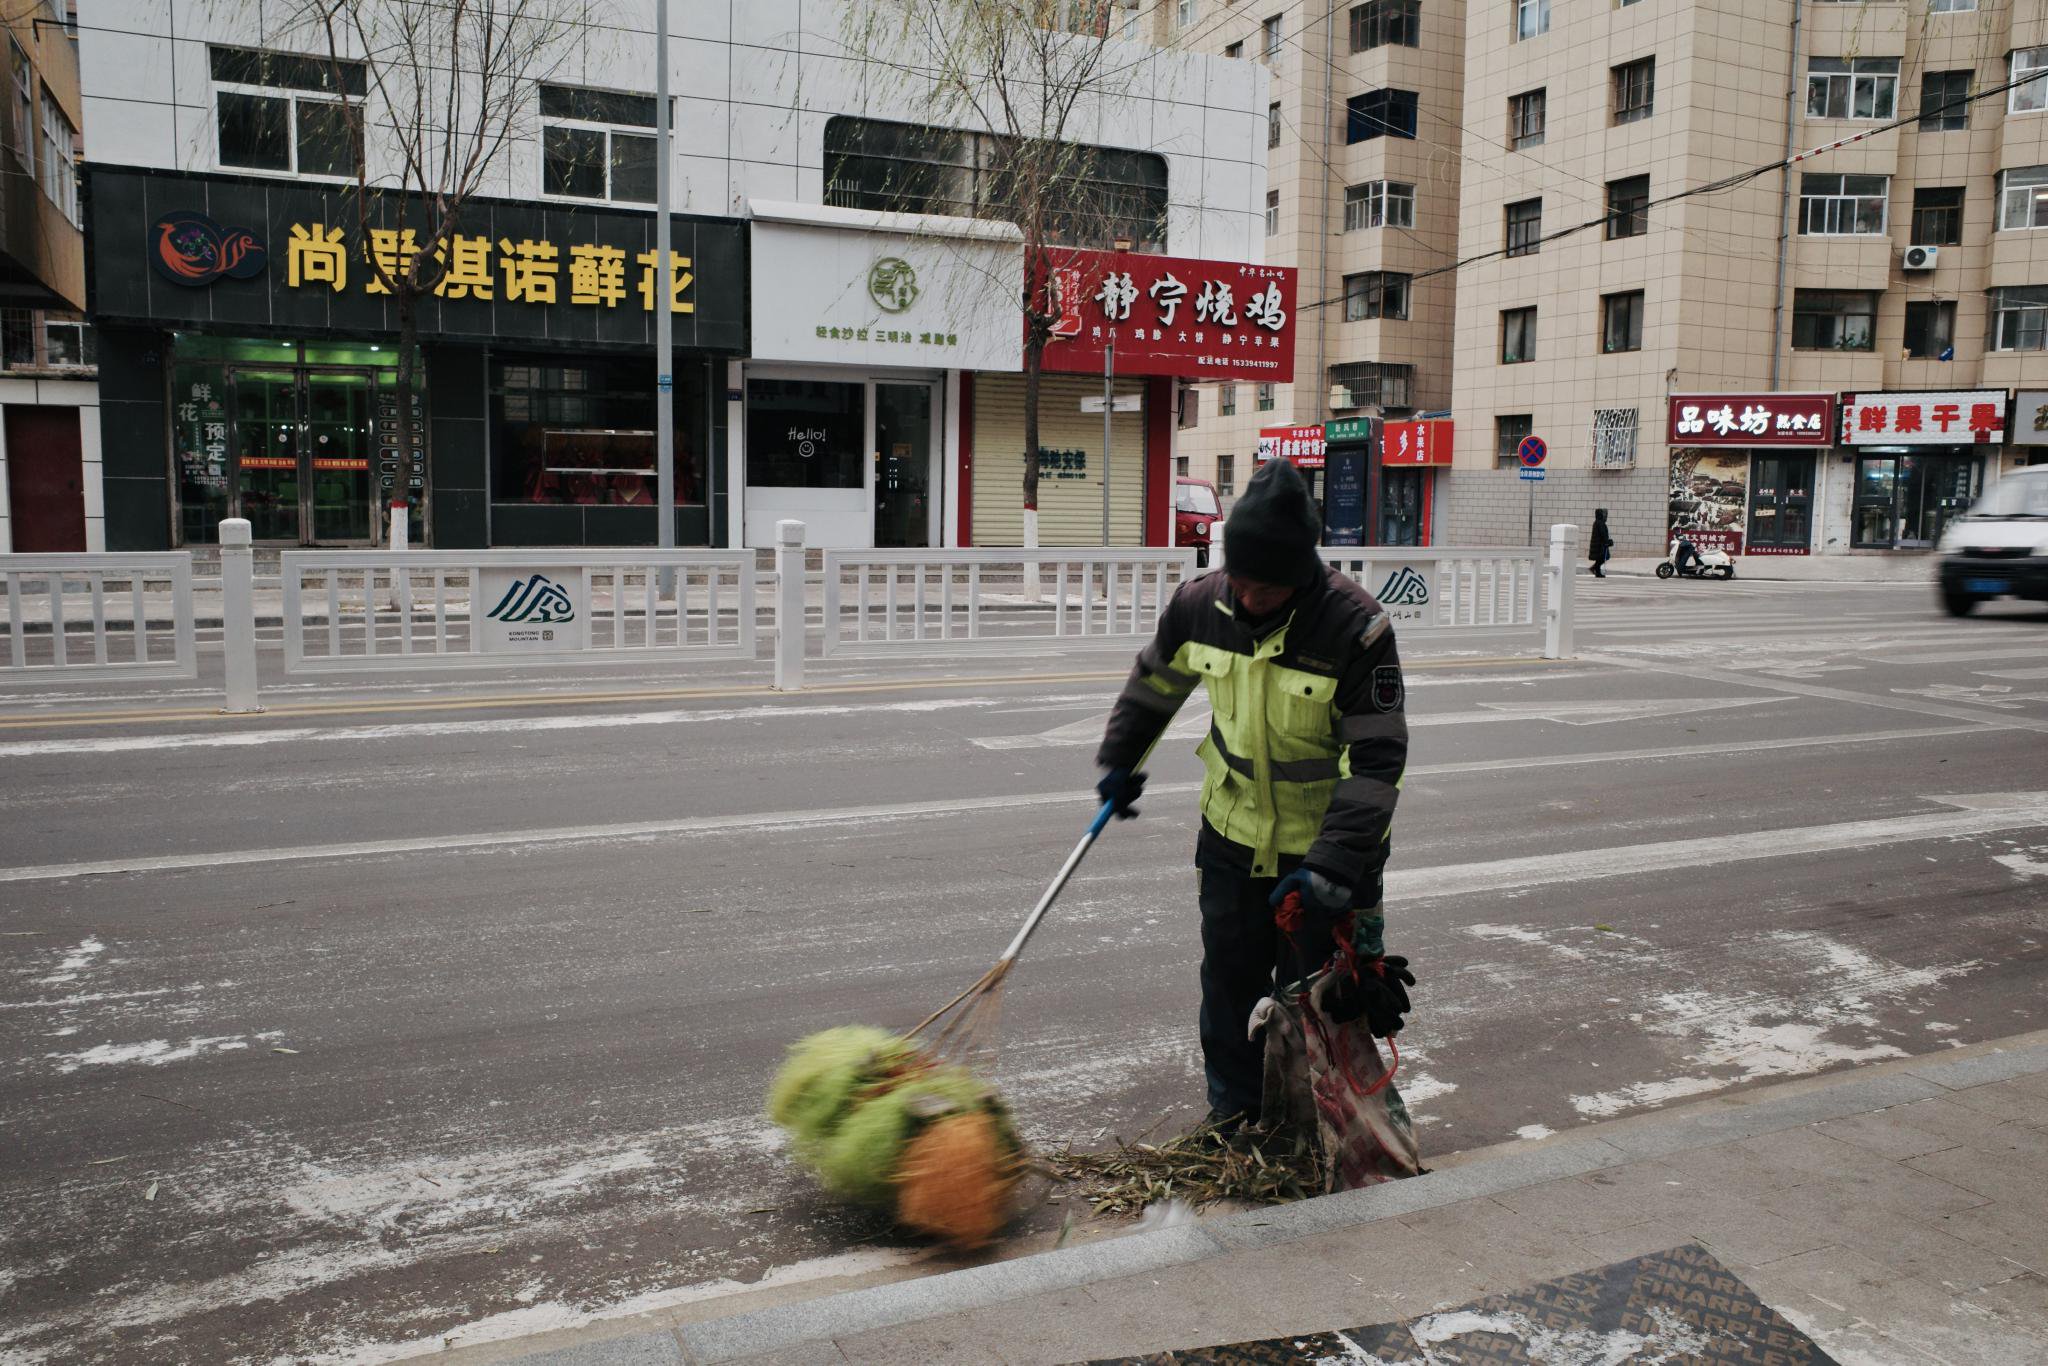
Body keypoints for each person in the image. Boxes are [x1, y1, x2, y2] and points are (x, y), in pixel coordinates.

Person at [1094, 458, 1414, 1130]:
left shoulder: (1355, 629)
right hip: (1231, 838)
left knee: (1320, 1000)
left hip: (1320, 856)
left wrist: (1334, 864)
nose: (1245, 601)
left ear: (1299, 578)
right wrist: (1122, 759)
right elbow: (1155, 684)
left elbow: (1378, 759)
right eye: (1237, 582)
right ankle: (1235, 1115)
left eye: (1262, 591)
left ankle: (1316, 1128)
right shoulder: (1201, 605)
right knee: (1229, 987)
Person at [1589, 508, 1613, 578]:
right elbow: (1603, 534)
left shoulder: (1597, 522)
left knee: (1600, 558)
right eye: (1605, 514)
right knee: (1602, 558)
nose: (1606, 516)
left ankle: (1597, 572)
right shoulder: (1600, 523)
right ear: (1601, 515)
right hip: (1600, 545)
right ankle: (1595, 569)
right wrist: (1607, 542)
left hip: (1599, 544)